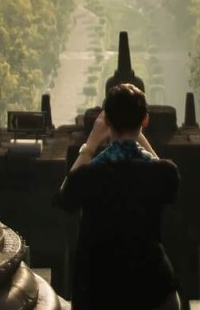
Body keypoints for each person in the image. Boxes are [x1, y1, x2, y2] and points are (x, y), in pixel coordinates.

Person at [58, 84, 181, 310]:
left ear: (106, 121)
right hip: (152, 288)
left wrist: (91, 143)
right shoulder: (162, 173)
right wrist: (138, 136)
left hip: (96, 292)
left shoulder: (90, 175)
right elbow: (165, 175)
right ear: (145, 120)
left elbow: (65, 197)